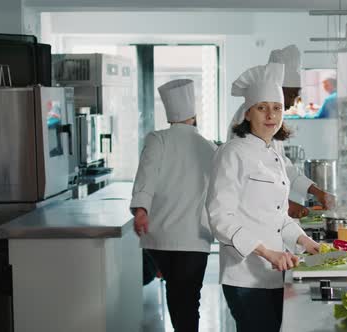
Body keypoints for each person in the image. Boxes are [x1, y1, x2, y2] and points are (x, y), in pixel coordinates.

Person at [208, 63, 320, 332]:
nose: (271, 115)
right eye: (262, 107)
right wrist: (266, 252)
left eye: (277, 108)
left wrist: (303, 240)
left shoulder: (274, 155)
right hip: (245, 276)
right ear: (247, 112)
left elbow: (277, 214)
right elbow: (219, 218)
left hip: (275, 272)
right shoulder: (231, 153)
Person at [130, 79, 216, 332]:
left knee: (176, 293)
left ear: (170, 116)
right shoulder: (209, 147)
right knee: (189, 299)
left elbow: (146, 176)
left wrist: (142, 210)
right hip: (194, 237)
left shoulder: (158, 139)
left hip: (162, 235)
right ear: (194, 115)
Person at [228, 45, 336, 218]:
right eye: (293, 94)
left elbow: (282, 166)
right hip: (247, 221)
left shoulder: (272, 124)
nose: (293, 103)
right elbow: (251, 180)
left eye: (277, 108)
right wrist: (287, 205)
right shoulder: (248, 121)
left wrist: (317, 192)